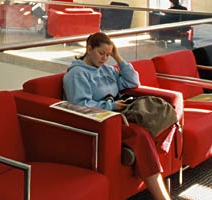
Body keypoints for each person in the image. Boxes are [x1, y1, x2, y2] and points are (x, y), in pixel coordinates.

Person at [63, 32, 172, 200]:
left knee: (165, 113)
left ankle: (131, 152)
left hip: (121, 113)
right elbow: (80, 105)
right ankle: (162, 197)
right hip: (102, 119)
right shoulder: (77, 74)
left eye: (108, 54)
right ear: (89, 48)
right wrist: (112, 106)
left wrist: (118, 57)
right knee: (140, 134)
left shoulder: (107, 69)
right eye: (101, 53)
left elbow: (133, 82)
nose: (105, 58)